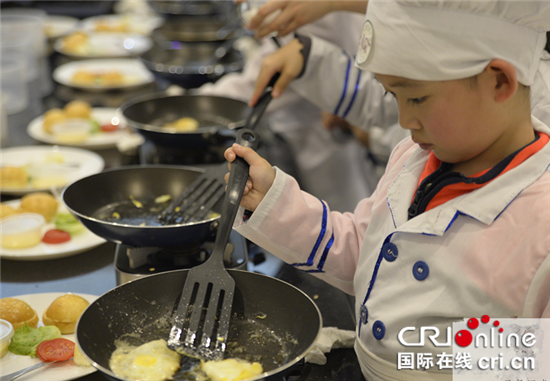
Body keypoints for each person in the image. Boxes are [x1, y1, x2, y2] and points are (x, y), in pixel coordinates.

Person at [224, 1, 550, 379]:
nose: (402, 120)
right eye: (393, 96)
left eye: (415, 98)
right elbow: (367, 252)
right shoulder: (412, 157)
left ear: (500, 81)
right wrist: (274, 204)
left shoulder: (539, 221)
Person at [194, 8, 385, 212]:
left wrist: (195, 107)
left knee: (342, 214)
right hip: (327, 116)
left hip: (324, 136)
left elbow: (273, 73)